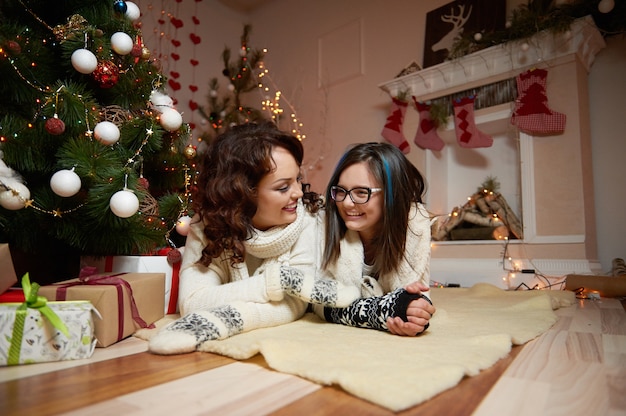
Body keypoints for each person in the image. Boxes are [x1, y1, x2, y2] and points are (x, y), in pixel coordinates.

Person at [149, 122, 361, 355]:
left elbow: (294, 305)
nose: (298, 193)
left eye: (297, 179)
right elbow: (193, 303)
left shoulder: (308, 220)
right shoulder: (208, 225)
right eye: (283, 187)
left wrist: (226, 319)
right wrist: (277, 282)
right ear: (242, 193)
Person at [314, 142, 436, 336]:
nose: (346, 203)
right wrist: (383, 311)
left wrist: (415, 310)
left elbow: (418, 298)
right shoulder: (324, 224)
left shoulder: (414, 226)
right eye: (341, 191)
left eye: (361, 192)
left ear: (392, 196)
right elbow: (319, 303)